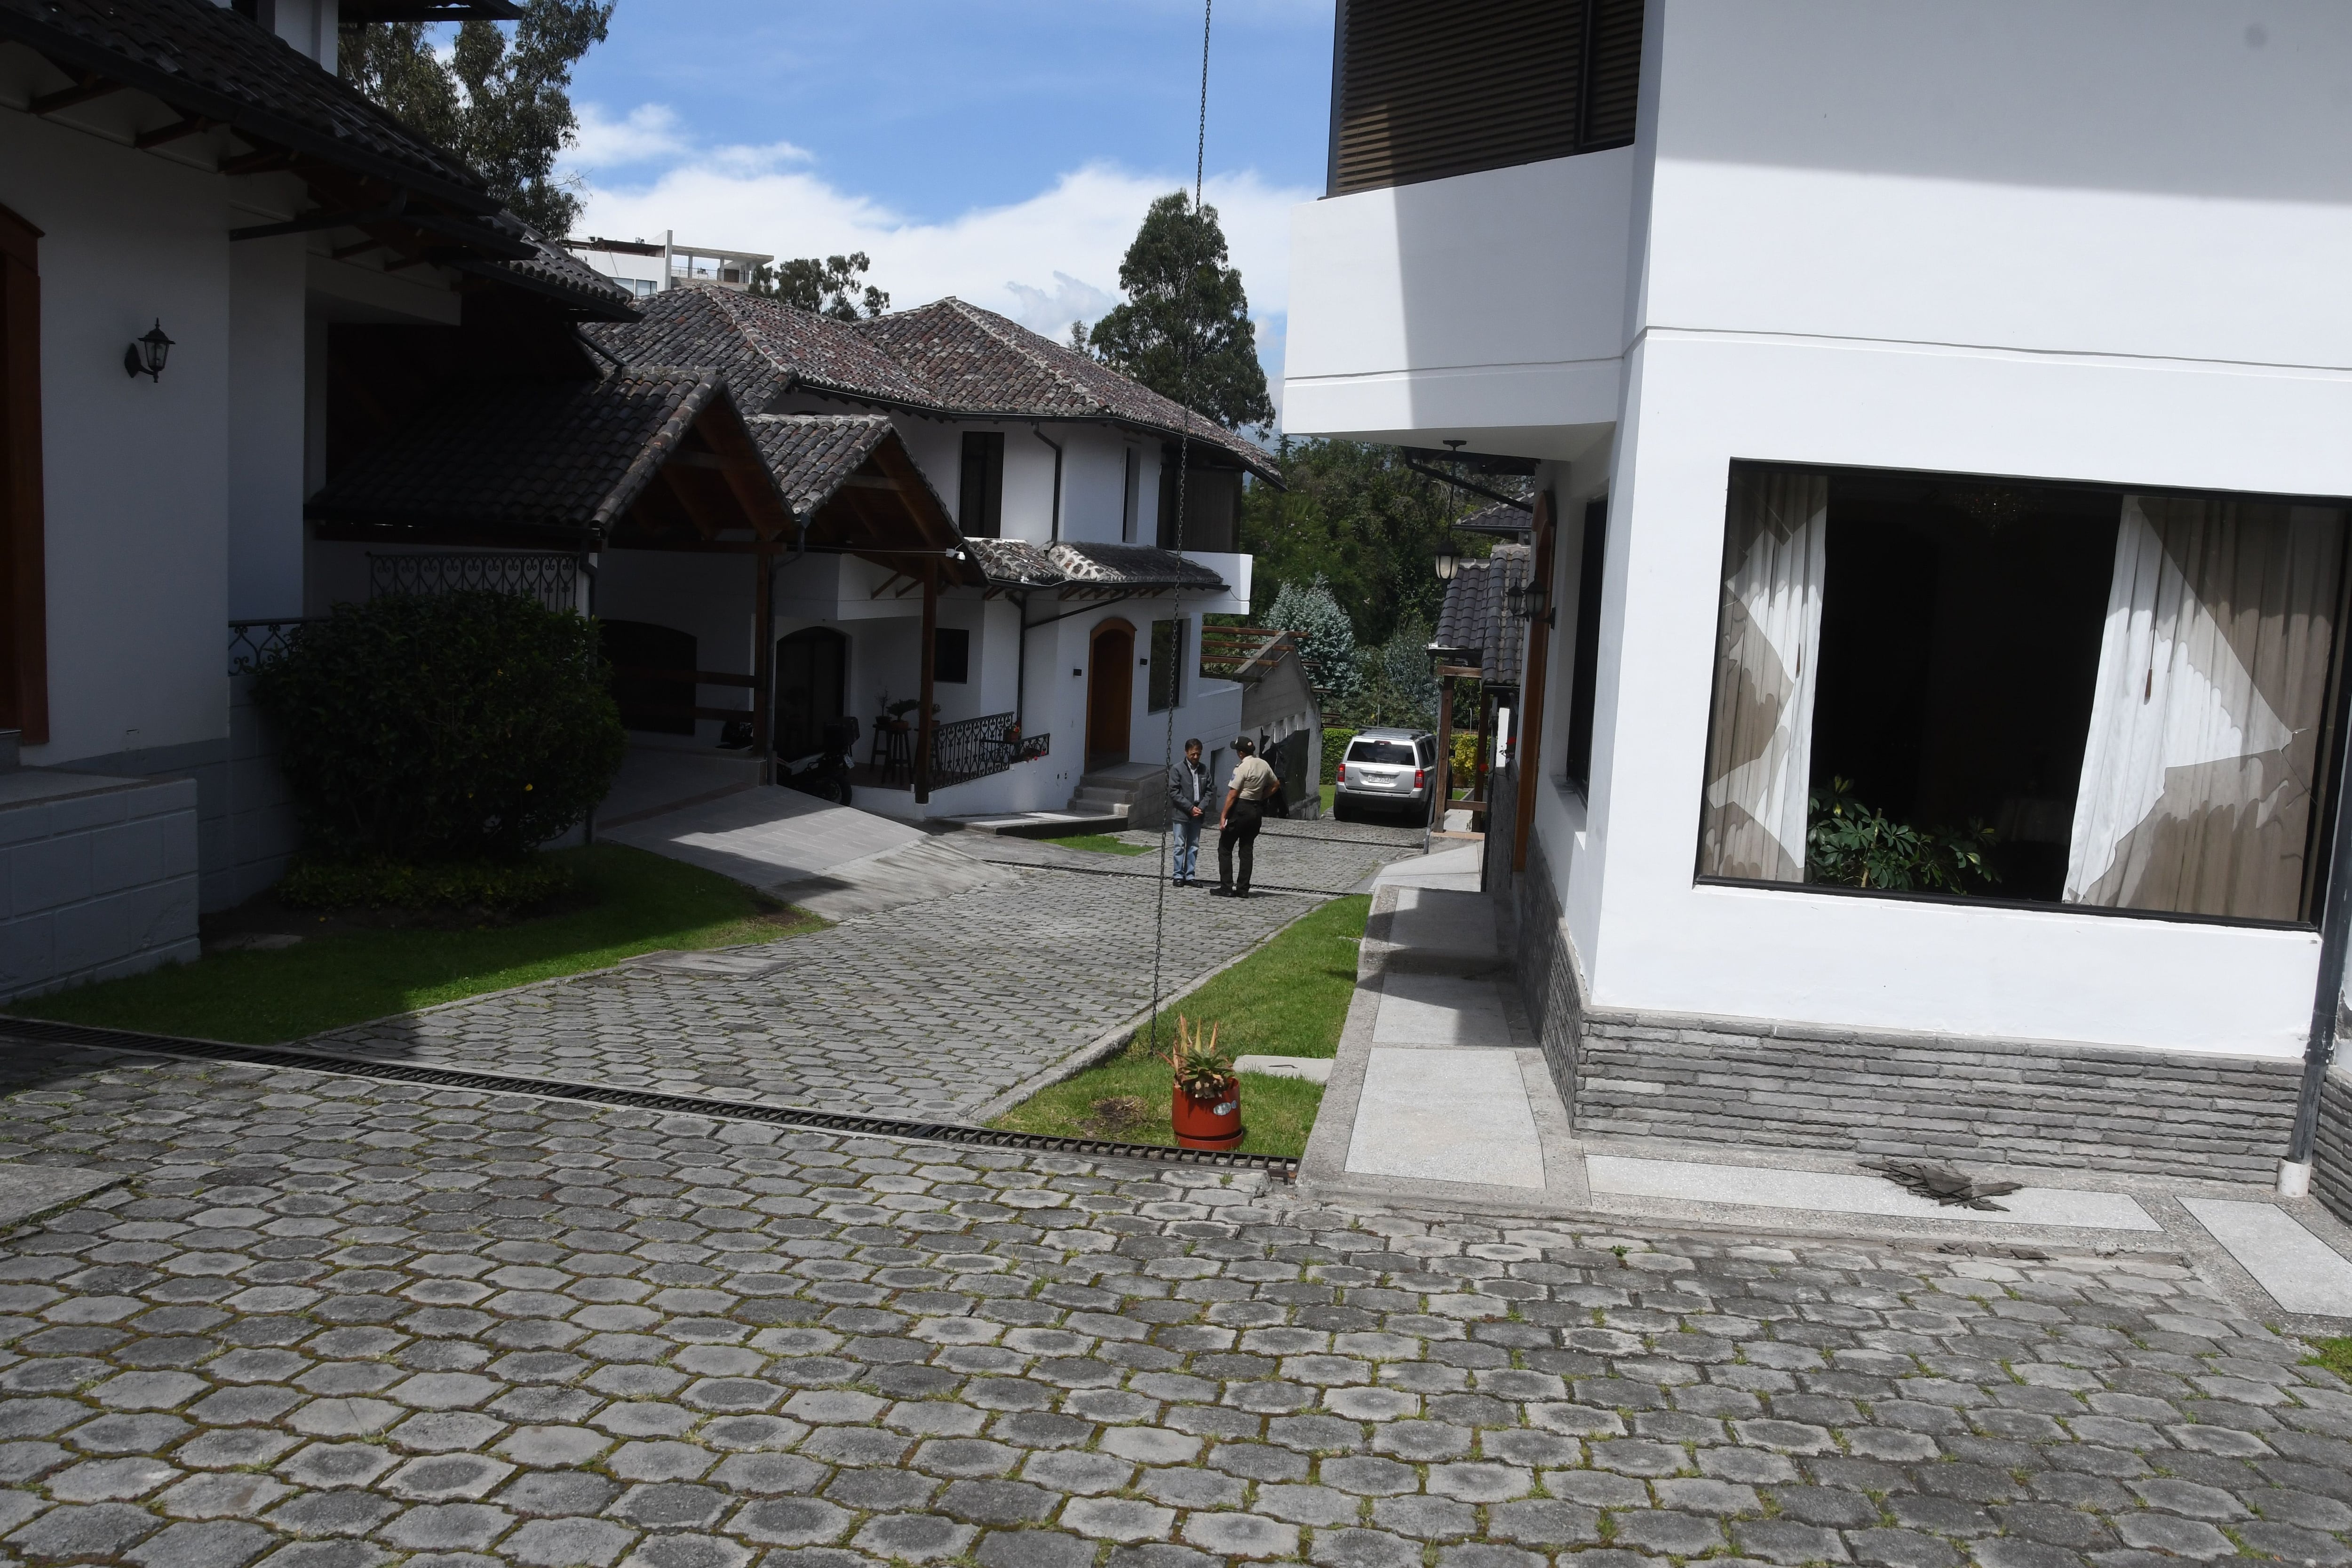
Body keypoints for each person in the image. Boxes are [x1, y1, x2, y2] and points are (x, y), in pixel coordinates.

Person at [1214, 737, 1279, 897]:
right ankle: (1243, 889)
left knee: (1225, 847)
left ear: (1241, 753)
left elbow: (1233, 794)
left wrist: (1223, 815)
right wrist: (1263, 797)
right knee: (1246, 849)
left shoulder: (1242, 767)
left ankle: (1227, 887)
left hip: (1241, 808)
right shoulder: (1263, 764)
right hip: (1256, 809)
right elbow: (1276, 784)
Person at [1167, 738, 1208, 887]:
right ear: (1187, 753)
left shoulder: (1204, 770)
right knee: (1179, 845)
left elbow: (1209, 791)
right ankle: (1178, 875)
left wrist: (1201, 807)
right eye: (1193, 754)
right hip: (1182, 813)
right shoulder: (1177, 769)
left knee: (1194, 845)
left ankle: (1190, 875)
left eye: (1198, 754)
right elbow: (1174, 792)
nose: (1196, 757)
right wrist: (1190, 808)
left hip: (1198, 814)